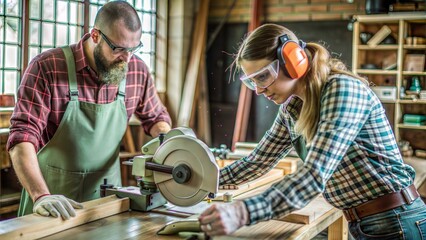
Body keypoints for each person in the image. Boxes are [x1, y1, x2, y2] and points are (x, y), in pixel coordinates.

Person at [199, 23, 426, 239]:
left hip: (397, 220)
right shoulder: (293, 108)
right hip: (368, 222)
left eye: (263, 77)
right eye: (251, 81)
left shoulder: (342, 90)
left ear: (292, 60)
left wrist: (242, 212)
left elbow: (314, 174)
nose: (258, 90)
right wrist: (202, 179)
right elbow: (257, 161)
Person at [7, 1, 171, 220]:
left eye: (133, 49)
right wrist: (41, 196)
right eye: (119, 49)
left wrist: (170, 144)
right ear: (95, 36)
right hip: (50, 203)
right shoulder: (47, 67)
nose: (127, 59)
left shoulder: (137, 71)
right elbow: (21, 138)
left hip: (106, 206)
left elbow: (156, 117)